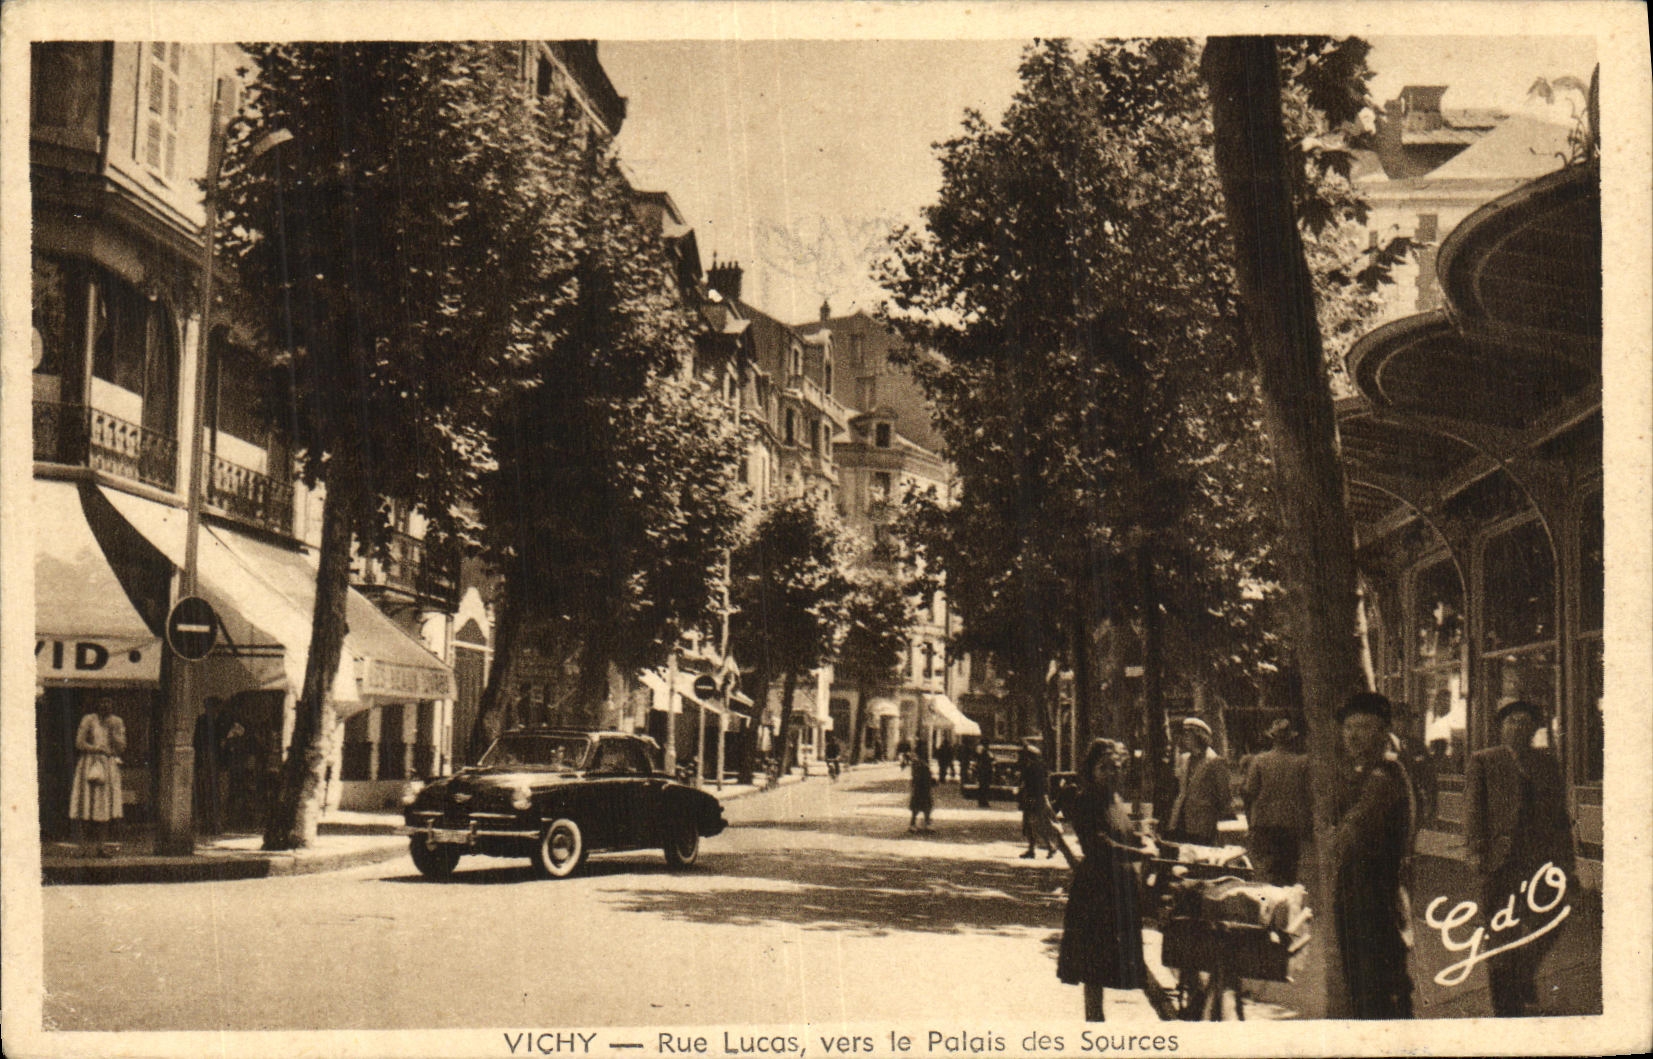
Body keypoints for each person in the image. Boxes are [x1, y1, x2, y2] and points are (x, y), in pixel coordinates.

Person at [1465, 700, 1576, 1017]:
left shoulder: (1546, 762)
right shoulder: (1485, 761)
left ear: (1535, 729)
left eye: (1525, 723)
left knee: (1553, 918)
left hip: (1542, 861)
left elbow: (1559, 816)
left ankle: (1523, 973)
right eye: (1512, 722)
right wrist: (1475, 850)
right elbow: (1473, 810)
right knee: (1501, 931)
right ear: (1501, 728)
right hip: (1501, 862)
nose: (1518, 728)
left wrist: (1567, 864)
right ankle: (1506, 1003)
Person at [1058, 738, 1156, 1021]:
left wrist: (1145, 839)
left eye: (1116, 767)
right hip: (1095, 893)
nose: (1111, 773)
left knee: (1112, 964)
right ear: (1091, 770)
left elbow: (1123, 833)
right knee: (1093, 969)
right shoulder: (1087, 799)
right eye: (1104, 768)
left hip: (1119, 891)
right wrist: (1138, 852)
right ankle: (1094, 1025)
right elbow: (1099, 845)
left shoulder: (1113, 798)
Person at [1331, 691, 1415, 1019]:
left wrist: (1335, 835)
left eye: (1363, 727)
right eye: (1348, 727)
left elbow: (1350, 836)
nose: (1351, 735)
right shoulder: (1365, 772)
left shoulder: (1383, 776)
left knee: (1377, 991)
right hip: (1363, 895)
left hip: (1374, 898)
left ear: (1382, 732)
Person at [1241, 718, 1311, 884]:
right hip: (1291, 824)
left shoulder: (1259, 761)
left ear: (1272, 738)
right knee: (1289, 871)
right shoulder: (1301, 762)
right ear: (1291, 739)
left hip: (1265, 824)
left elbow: (1249, 792)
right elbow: (1307, 794)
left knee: (1267, 871)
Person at [70, 698, 126, 857]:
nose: (105, 705)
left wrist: (113, 733)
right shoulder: (88, 719)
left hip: (108, 766)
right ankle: (83, 848)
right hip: (89, 763)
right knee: (85, 805)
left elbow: (122, 747)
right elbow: (79, 743)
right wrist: (96, 748)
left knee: (105, 807)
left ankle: (101, 847)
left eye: (109, 703)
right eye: (102, 702)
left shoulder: (116, 722)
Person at [1167, 717, 1231, 847]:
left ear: (1199, 737)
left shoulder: (1215, 761)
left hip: (1203, 824)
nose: (1184, 739)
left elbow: (1224, 796)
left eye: (1187, 735)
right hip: (1181, 820)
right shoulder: (1184, 759)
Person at [1018, 741, 1057, 859]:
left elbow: (1036, 786)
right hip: (1033, 799)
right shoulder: (1038, 767)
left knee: (1036, 824)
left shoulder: (1034, 769)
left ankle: (1050, 846)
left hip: (1034, 800)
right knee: (1030, 825)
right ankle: (1032, 849)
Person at [908, 753, 935, 831]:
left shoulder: (917, 767)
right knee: (925, 808)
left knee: (917, 809)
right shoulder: (924, 767)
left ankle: (914, 824)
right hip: (923, 791)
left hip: (919, 791)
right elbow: (930, 780)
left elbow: (914, 780)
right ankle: (926, 823)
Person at [975, 742, 994, 807]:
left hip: (981, 772)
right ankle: (984, 802)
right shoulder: (987, 753)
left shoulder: (980, 752)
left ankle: (981, 802)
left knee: (982, 788)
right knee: (985, 788)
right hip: (986, 772)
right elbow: (992, 759)